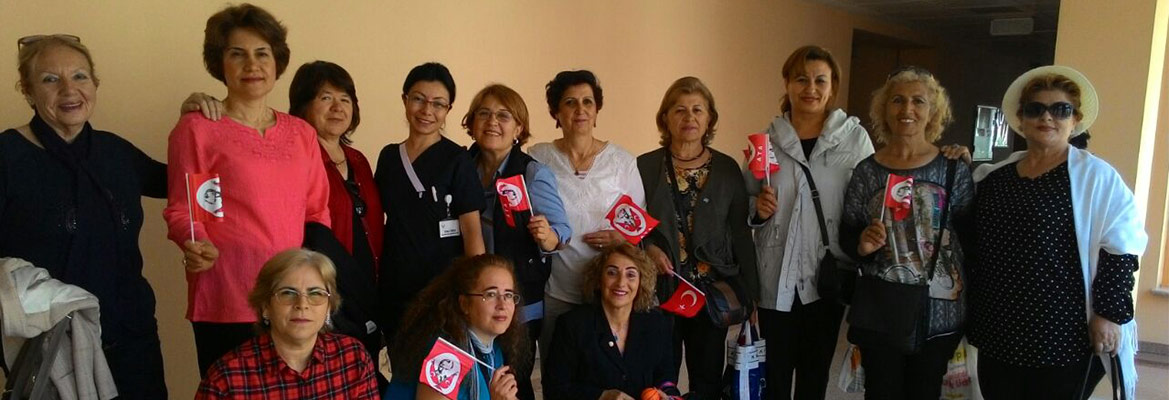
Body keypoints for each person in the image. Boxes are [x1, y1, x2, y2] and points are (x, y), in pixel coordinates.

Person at [182, 61, 386, 384]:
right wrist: (194, 237)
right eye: (326, 98)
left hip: (358, 289)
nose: (337, 107)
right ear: (303, 105)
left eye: (345, 99)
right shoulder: (288, 153)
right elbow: (199, 205)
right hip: (307, 288)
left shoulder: (358, 160)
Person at [163, 3, 331, 376]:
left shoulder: (302, 134)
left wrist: (316, 284)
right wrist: (195, 241)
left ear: (277, 62)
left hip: (293, 302)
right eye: (237, 54)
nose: (252, 65)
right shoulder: (199, 130)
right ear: (219, 63)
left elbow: (317, 212)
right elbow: (189, 210)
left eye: (262, 53)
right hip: (226, 297)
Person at [0, 34, 168, 398]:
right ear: (27, 91)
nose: (69, 89)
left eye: (79, 76)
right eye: (50, 79)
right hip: (49, 346)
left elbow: (184, 180)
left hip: (132, 340)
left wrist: (201, 118)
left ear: (94, 84)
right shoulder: (7, 157)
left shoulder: (115, 152)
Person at [967, 65, 1145, 399]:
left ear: (1075, 120)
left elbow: (1121, 251)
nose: (1046, 117)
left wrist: (1107, 314)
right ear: (1021, 119)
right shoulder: (993, 178)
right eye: (1035, 109)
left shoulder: (1097, 179)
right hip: (998, 325)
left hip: (1062, 333)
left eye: (1060, 109)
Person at [743, 45, 873, 399]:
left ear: (832, 87)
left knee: (814, 377)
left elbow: (869, 198)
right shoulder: (767, 141)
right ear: (787, 83)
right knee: (776, 376)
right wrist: (757, 208)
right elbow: (744, 200)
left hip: (825, 276)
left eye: (820, 80)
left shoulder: (854, 139)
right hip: (776, 275)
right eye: (801, 79)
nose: (810, 89)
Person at [839, 66, 972, 399]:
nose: (907, 109)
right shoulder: (867, 171)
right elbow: (848, 233)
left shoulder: (952, 169)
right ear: (884, 109)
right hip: (882, 309)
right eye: (897, 100)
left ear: (933, 111)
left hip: (939, 313)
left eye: (918, 101)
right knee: (880, 392)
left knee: (923, 392)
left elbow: (971, 238)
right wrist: (862, 244)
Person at [637, 76, 758, 400]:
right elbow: (633, 224)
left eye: (697, 110)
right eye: (679, 110)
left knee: (706, 379)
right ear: (665, 118)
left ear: (709, 119)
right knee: (659, 376)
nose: (689, 117)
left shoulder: (727, 169)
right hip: (662, 289)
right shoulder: (644, 166)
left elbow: (741, 233)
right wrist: (649, 248)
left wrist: (752, 294)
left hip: (710, 294)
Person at [462, 83, 572, 400]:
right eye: (484, 114)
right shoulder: (461, 167)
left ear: (519, 128)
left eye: (503, 115)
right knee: (477, 379)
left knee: (513, 382)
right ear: (471, 123)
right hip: (471, 296)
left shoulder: (532, 173)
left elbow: (562, 232)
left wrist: (547, 236)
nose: (492, 122)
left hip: (520, 302)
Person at [528, 70, 645, 364]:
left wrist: (620, 238)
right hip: (556, 287)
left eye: (587, 102)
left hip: (607, 291)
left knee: (603, 369)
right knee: (557, 370)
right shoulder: (538, 157)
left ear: (596, 110)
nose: (580, 110)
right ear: (556, 112)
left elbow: (639, 226)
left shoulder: (622, 162)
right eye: (570, 102)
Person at [374, 62, 485, 343]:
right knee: (399, 358)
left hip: (442, 288)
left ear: (448, 109)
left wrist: (475, 292)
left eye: (438, 104)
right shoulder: (389, 157)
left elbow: (472, 231)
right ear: (405, 100)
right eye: (419, 99)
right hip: (394, 282)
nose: (427, 110)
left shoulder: (457, 160)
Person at [196, 249, 378, 399]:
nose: (302, 304)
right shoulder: (226, 378)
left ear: (329, 306)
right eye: (288, 293)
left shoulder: (354, 358)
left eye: (315, 293)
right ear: (265, 306)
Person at [543, 244, 683, 400]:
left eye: (631, 275)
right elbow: (554, 388)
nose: (621, 283)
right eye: (612, 273)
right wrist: (601, 396)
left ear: (641, 282)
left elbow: (666, 378)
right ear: (599, 279)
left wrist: (667, 397)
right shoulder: (573, 325)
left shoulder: (657, 324)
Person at [385, 254, 529, 400]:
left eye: (508, 295)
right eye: (491, 294)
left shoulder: (492, 349)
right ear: (464, 304)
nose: (502, 305)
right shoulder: (445, 356)